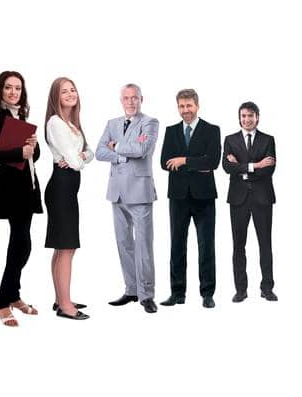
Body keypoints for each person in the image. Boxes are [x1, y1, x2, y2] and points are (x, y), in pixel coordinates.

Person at [0, 71, 43, 326]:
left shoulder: (21, 115)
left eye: (17, 88)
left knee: (24, 244)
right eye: (9, 88)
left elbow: (32, 156)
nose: (13, 92)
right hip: (12, 189)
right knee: (19, 244)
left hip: (28, 185)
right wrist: (21, 150)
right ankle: (1, 301)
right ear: (1, 90)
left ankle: (14, 295)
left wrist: (33, 147)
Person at [95, 84, 162, 313]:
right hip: (117, 191)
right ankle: (131, 289)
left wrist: (117, 146)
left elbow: (142, 148)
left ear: (142, 99)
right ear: (121, 100)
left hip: (140, 191)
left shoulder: (150, 122)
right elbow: (99, 152)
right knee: (124, 243)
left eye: (135, 98)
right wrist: (122, 155)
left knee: (143, 245)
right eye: (126, 98)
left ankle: (147, 294)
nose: (130, 102)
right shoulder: (111, 123)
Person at [160, 89, 221, 309]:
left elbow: (212, 161)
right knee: (177, 245)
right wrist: (197, 163)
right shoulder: (171, 131)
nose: (185, 111)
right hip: (178, 197)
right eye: (181, 106)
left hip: (204, 197)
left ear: (197, 105)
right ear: (177, 107)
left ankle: (207, 293)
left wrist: (184, 160)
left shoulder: (212, 130)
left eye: (189, 106)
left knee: (206, 245)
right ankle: (177, 293)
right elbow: (164, 162)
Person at [42, 77, 93, 320]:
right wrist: (77, 158)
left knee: (62, 247)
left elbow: (88, 152)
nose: (71, 94)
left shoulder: (72, 122)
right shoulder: (55, 122)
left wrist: (79, 156)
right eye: (65, 92)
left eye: (73, 89)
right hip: (61, 187)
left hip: (68, 188)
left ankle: (60, 299)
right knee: (66, 247)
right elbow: (74, 162)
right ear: (56, 97)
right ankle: (65, 306)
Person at [223, 101, 276, 302]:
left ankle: (267, 288)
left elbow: (269, 169)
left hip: (262, 198)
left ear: (257, 118)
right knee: (238, 245)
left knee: (265, 244)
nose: (247, 119)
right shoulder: (230, 140)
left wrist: (242, 167)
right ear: (239, 118)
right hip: (238, 199)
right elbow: (227, 167)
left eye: (250, 116)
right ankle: (241, 290)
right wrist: (255, 165)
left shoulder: (268, 139)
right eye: (243, 116)